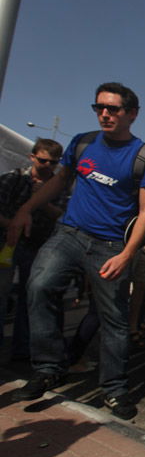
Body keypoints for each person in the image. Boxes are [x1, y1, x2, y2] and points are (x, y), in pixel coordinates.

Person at [7, 82, 145, 420]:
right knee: (39, 285)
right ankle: (49, 367)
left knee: (114, 319)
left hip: (110, 246)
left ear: (131, 114)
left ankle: (115, 390)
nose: (104, 113)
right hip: (69, 233)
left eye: (113, 109)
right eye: (99, 107)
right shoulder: (82, 143)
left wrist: (126, 254)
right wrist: (26, 209)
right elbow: (59, 182)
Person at [0, 138, 66, 360]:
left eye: (53, 163)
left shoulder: (59, 186)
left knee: (31, 299)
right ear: (32, 157)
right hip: (8, 244)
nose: (48, 166)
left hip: (38, 247)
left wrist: (42, 200)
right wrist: (14, 224)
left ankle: (21, 351)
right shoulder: (14, 179)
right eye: (43, 161)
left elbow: (62, 216)